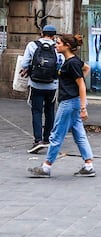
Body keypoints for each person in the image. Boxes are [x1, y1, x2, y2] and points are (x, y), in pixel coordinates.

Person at [27, 34, 96, 178]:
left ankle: (46, 166)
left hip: (69, 103)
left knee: (56, 134)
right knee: (79, 133)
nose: (55, 45)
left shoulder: (71, 63)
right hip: (73, 101)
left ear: (67, 46)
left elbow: (81, 84)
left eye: (58, 43)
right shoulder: (74, 62)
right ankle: (88, 165)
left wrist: (83, 107)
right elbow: (87, 68)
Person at [20, 25, 64, 154]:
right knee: (50, 111)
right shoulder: (57, 47)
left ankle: (37, 140)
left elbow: (24, 64)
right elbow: (60, 64)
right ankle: (47, 139)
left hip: (36, 84)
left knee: (36, 111)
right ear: (54, 35)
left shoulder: (32, 45)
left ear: (41, 33)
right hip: (52, 85)